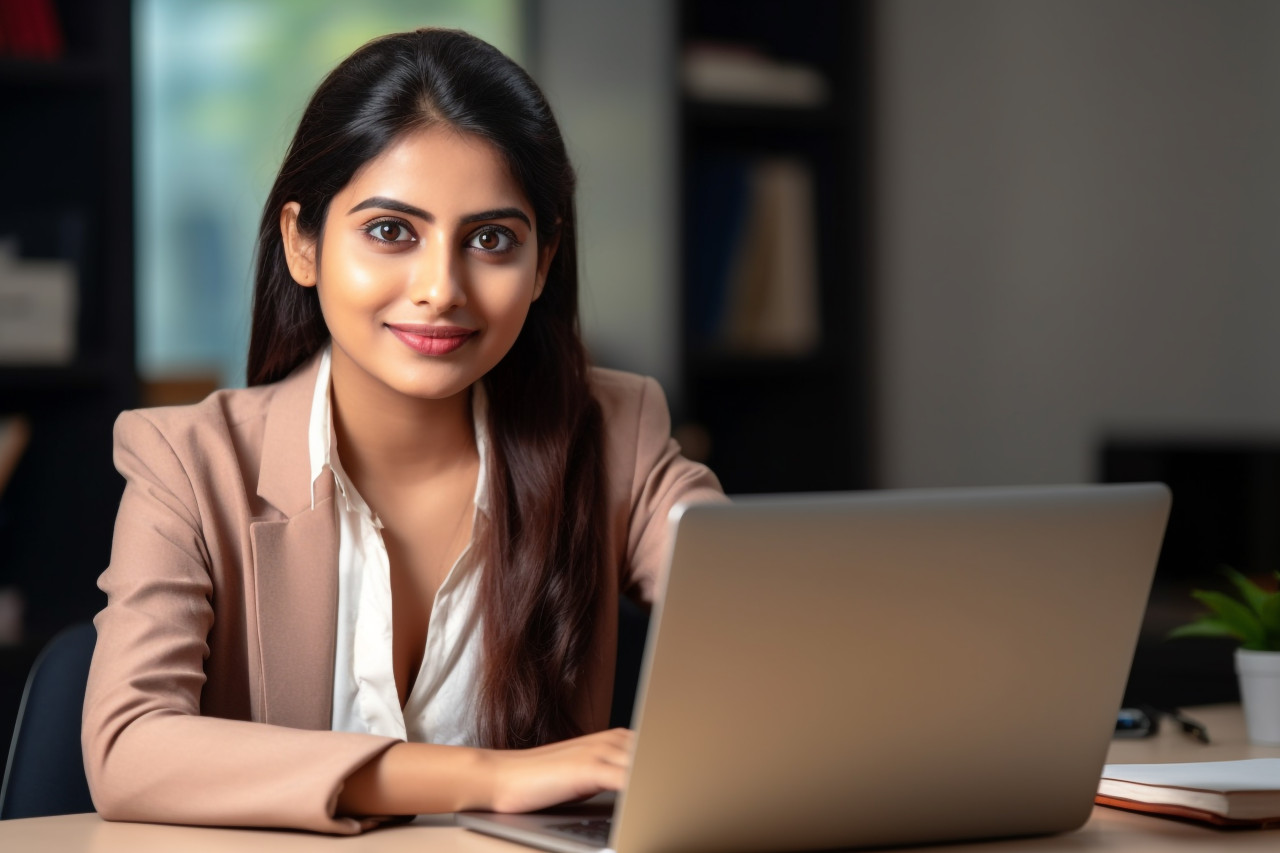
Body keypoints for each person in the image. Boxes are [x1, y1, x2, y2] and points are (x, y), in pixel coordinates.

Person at [82, 28, 724, 834]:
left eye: (491, 240)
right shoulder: (189, 461)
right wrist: (486, 776)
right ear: (302, 243)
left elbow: (775, 633)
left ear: (544, 260)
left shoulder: (615, 434)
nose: (440, 289)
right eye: (391, 231)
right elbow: (129, 745)